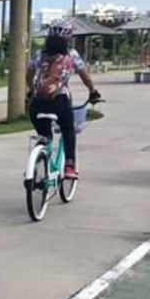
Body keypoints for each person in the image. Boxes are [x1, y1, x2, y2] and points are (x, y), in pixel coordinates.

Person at [27, 19, 101, 180]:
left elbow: (29, 76)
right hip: (59, 102)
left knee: (44, 135)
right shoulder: (72, 55)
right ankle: (69, 166)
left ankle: (39, 160)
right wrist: (93, 92)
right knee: (68, 129)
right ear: (68, 39)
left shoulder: (39, 54)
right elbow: (85, 77)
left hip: (36, 105)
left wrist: (32, 91)